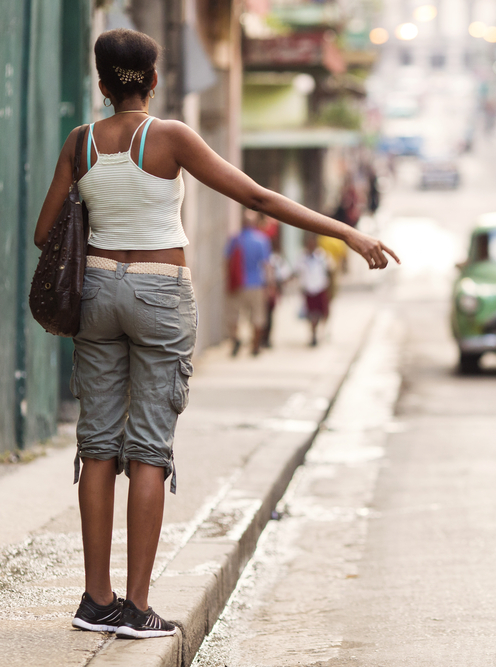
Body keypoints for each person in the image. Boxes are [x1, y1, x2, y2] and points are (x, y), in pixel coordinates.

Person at [33, 29, 397, 640]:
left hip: (95, 291)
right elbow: (256, 194)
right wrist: (349, 233)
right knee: (147, 445)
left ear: (101, 85)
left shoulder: (80, 143)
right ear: (152, 80)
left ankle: (96, 601)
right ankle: (138, 609)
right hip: (159, 291)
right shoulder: (170, 136)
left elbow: (46, 232)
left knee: (96, 443)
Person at [226, 210, 271, 356]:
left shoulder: (235, 239)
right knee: (257, 316)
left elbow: (227, 262)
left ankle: (236, 339)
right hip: (256, 284)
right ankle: (255, 346)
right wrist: (270, 285)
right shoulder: (262, 240)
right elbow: (266, 265)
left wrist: (228, 282)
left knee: (234, 315)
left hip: (238, 284)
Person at [296, 234, 335, 346]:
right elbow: (297, 271)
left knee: (321, 313)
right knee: (311, 314)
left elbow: (330, 269)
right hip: (308, 289)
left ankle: (319, 332)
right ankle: (313, 334)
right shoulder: (302, 257)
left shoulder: (322, 255)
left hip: (320, 287)